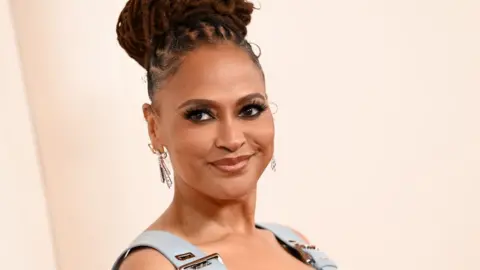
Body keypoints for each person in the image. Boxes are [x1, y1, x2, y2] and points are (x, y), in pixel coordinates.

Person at [112, 0, 337, 269]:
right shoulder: (153, 266)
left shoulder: (294, 244)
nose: (232, 139)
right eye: (200, 115)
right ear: (154, 127)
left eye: (250, 109)